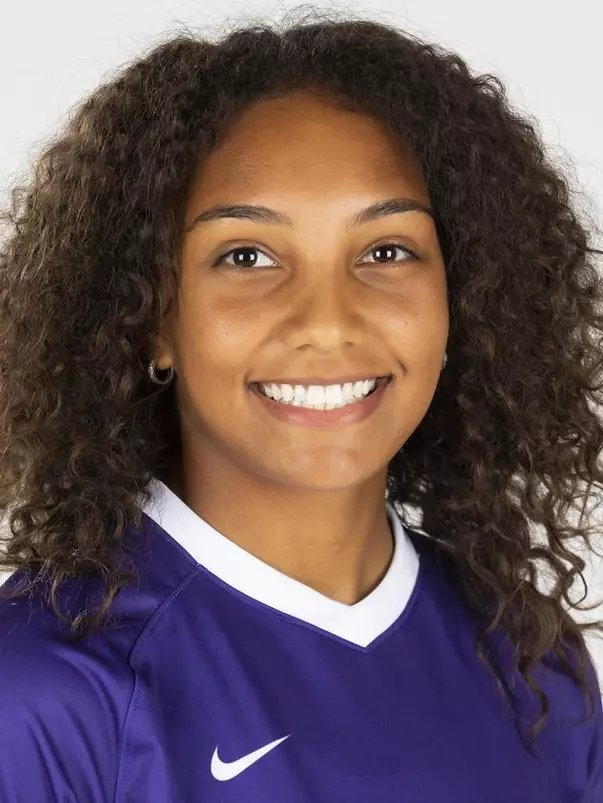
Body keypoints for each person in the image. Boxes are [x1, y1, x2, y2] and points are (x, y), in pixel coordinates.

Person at [0, 9, 602, 802]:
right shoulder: (43, 693)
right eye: (246, 256)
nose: (326, 321)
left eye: (385, 250)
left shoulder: (533, 661)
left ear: (460, 302)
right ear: (152, 318)